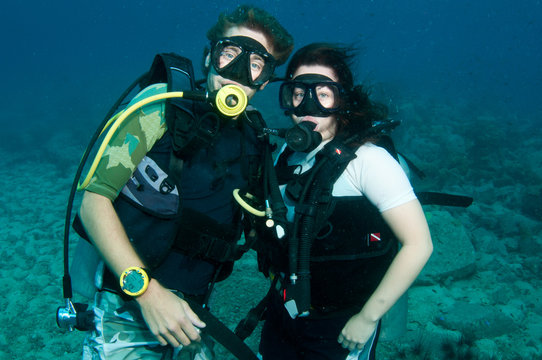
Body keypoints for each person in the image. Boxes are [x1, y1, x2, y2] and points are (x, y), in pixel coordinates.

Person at [76, 5, 293, 359]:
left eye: (255, 65)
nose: (238, 73)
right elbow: (93, 200)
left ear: (265, 80)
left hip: (193, 313)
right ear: (209, 57)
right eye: (230, 55)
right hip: (127, 305)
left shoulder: (253, 136)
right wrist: (146, 294)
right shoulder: (159, 105)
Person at [255, 43, 433, 360]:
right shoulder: (286, 154)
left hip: (343, 324)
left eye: (323, 94)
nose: (308, 105)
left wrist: (367, 319)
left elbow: (419, 244)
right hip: (284, 309)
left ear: (342, 100)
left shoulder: (369, 161)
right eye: (298, 94)